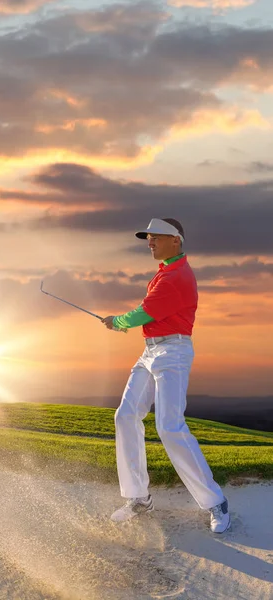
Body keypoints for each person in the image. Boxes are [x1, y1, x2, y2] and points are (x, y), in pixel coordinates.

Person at [101, 218, 231, 534]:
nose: (150, 243)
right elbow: (149, 311)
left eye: (155, 237)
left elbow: (146, 311)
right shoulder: (165, 273)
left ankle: (216, 502)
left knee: (169, 426)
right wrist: (121, 323)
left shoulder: (178, 277)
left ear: (175, 240)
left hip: (172, 352)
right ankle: (138, 498)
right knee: (126, 415)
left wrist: (117, 322)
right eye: (148, 238)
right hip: (151, 351)